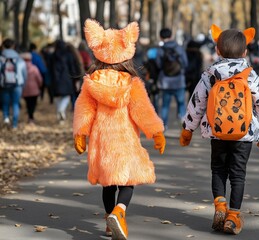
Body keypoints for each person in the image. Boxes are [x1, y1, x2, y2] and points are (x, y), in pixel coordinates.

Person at [73, 19, 166, 240]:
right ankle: (120, 211)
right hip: (124, 139)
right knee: (127, 180)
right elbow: (142, 110)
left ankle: (109, 219)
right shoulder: (132, 83)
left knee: (109, 183)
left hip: (102, 139)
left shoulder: (91, 83)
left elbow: (84, 108)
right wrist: (155, 132)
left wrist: (80, 133)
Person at [179, 24, 259, 235]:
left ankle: (220, 205)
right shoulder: (250, 75)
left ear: (218, 50)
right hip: (244, 133)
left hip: (217, 131)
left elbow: (197, 102)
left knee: (219, 170)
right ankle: (232, 216)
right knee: (238, 174)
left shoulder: (211, 74)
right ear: (245, 52)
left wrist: (188, 129)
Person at [156, 28, 188, 130]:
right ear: (171, 36)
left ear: (161, 37)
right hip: (179, 81)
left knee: (165, 105)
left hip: (165, 82)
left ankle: (164, 125)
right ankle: (183, 121)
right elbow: (185, 63)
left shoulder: (160, 50)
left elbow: (158, 64)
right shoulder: (179, 48)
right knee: (181, 103)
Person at [0, 38, 27, 129]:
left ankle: (6, 118)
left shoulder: (1, 59)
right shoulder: (19, 59)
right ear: (13, 46)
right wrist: (23, 84)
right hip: (17, 85)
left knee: (5, 103)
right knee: (15, 103)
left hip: (4, 84)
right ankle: (14, 125)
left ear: (3, 46)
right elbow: (24, 73)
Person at [48, 40, 76, 124]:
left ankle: (60, 116)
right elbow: (72, 67)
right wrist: (75, 78)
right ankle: (61, 110)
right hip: (66, 79)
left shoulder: (52, 56)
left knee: (57, 97)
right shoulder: (68, 55)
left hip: (55, 80)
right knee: (67, 96)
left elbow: (49, 68)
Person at [20, 52, 43, 124]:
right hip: (34, 90)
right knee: (33, 104)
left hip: (25, 89)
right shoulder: (34, 68)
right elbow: (39, 79)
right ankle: (31, 117)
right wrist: (40, 85)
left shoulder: (21, 68)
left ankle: (30, 117)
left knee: (28, 103)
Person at [143, 47, 160, 113]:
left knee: (148, 100)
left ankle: (148, 113)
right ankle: (156, 113)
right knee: (156, 101)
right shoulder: (158, 64)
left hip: (147, 84)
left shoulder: (146, 64)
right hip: (156, 84)